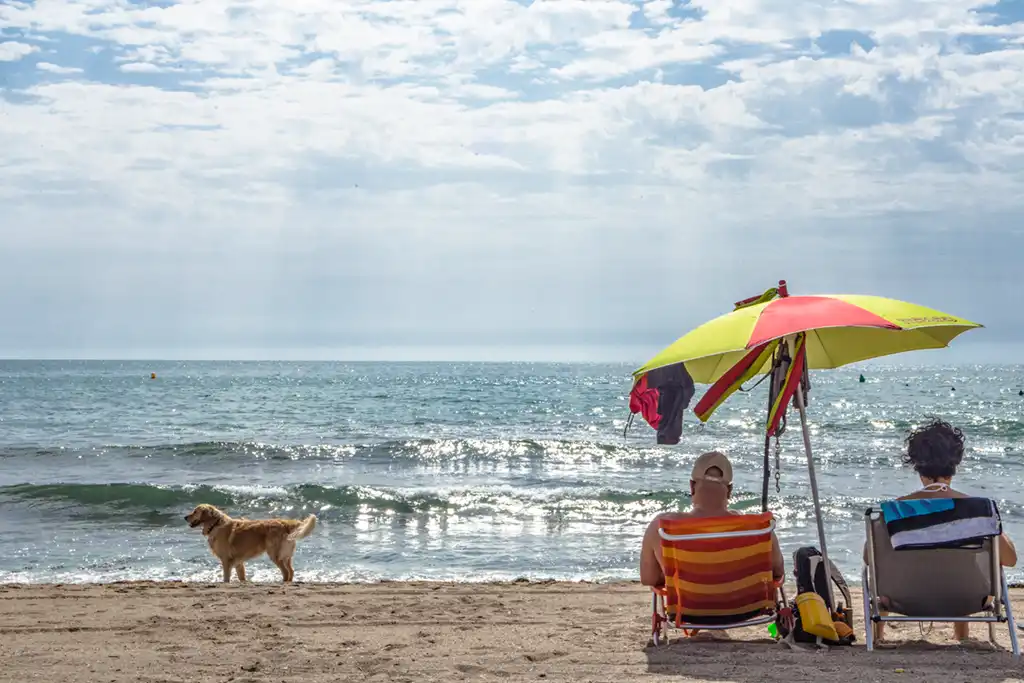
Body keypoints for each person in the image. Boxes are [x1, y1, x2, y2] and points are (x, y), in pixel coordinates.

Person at [871, 418, 1018, 642]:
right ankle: (963, 638)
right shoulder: (978, 510)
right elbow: (1009, 559)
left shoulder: (892, 512)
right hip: (965, 599)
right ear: (954, 467)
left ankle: (877, 637)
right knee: (962, 567)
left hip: (904, 598)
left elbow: (870, 559)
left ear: (917, 467)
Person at [640, 450, 785, 588]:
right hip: (753, 613)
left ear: (692, 486)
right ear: (729, 491)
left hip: (686, 613)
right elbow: (777, 571)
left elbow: (648, 578)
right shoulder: (758, 527)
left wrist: (682, 579)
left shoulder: (661, 527)